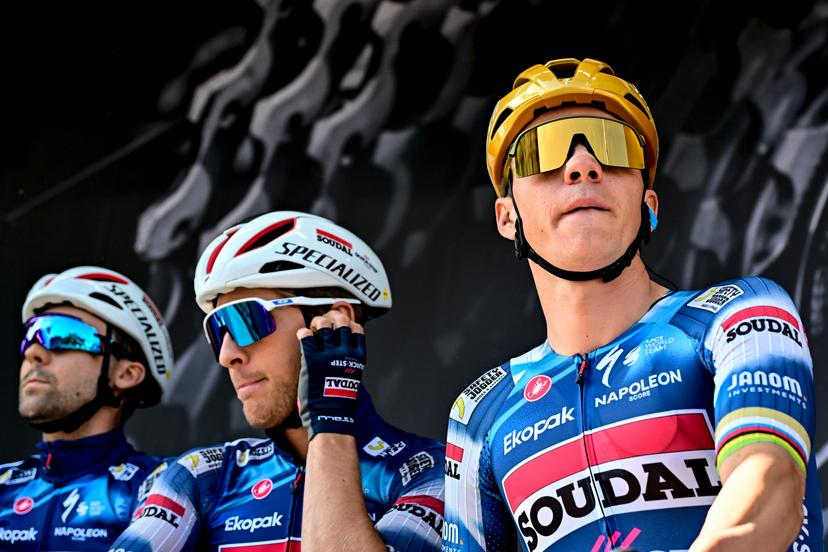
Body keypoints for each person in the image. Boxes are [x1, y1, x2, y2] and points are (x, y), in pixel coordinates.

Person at [442, 58, 822, 552]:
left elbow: (769, 491)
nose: (582, 165)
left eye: (613, 145)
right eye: (542, 153)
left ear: (649, 204)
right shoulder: (479, 414)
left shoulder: (736, 314)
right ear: (506, 217)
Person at [111, 211, 445, 551]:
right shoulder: (201, 477)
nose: (227, 354)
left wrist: (329, 424)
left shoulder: (433, 473)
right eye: (217, 329)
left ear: (335, 322)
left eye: (246, 320)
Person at [1, 266, 174, 551]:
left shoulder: (162, 486)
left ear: (127, 374)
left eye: (63, 334)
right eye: (30, 335)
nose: (34, 351)